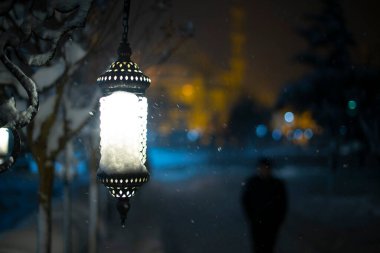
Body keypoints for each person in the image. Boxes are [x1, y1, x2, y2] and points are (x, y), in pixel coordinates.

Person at [242, 158, 287, 253]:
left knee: (269, 246)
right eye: (261, 168)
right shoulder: (253, 183)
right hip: (257, 222)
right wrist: (251, 217)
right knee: (258, 246)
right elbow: (246, 201)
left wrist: (278, 220)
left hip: (271, 223)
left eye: (266, 168)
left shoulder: (277, 184)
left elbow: (283, 204)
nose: (264, 170)